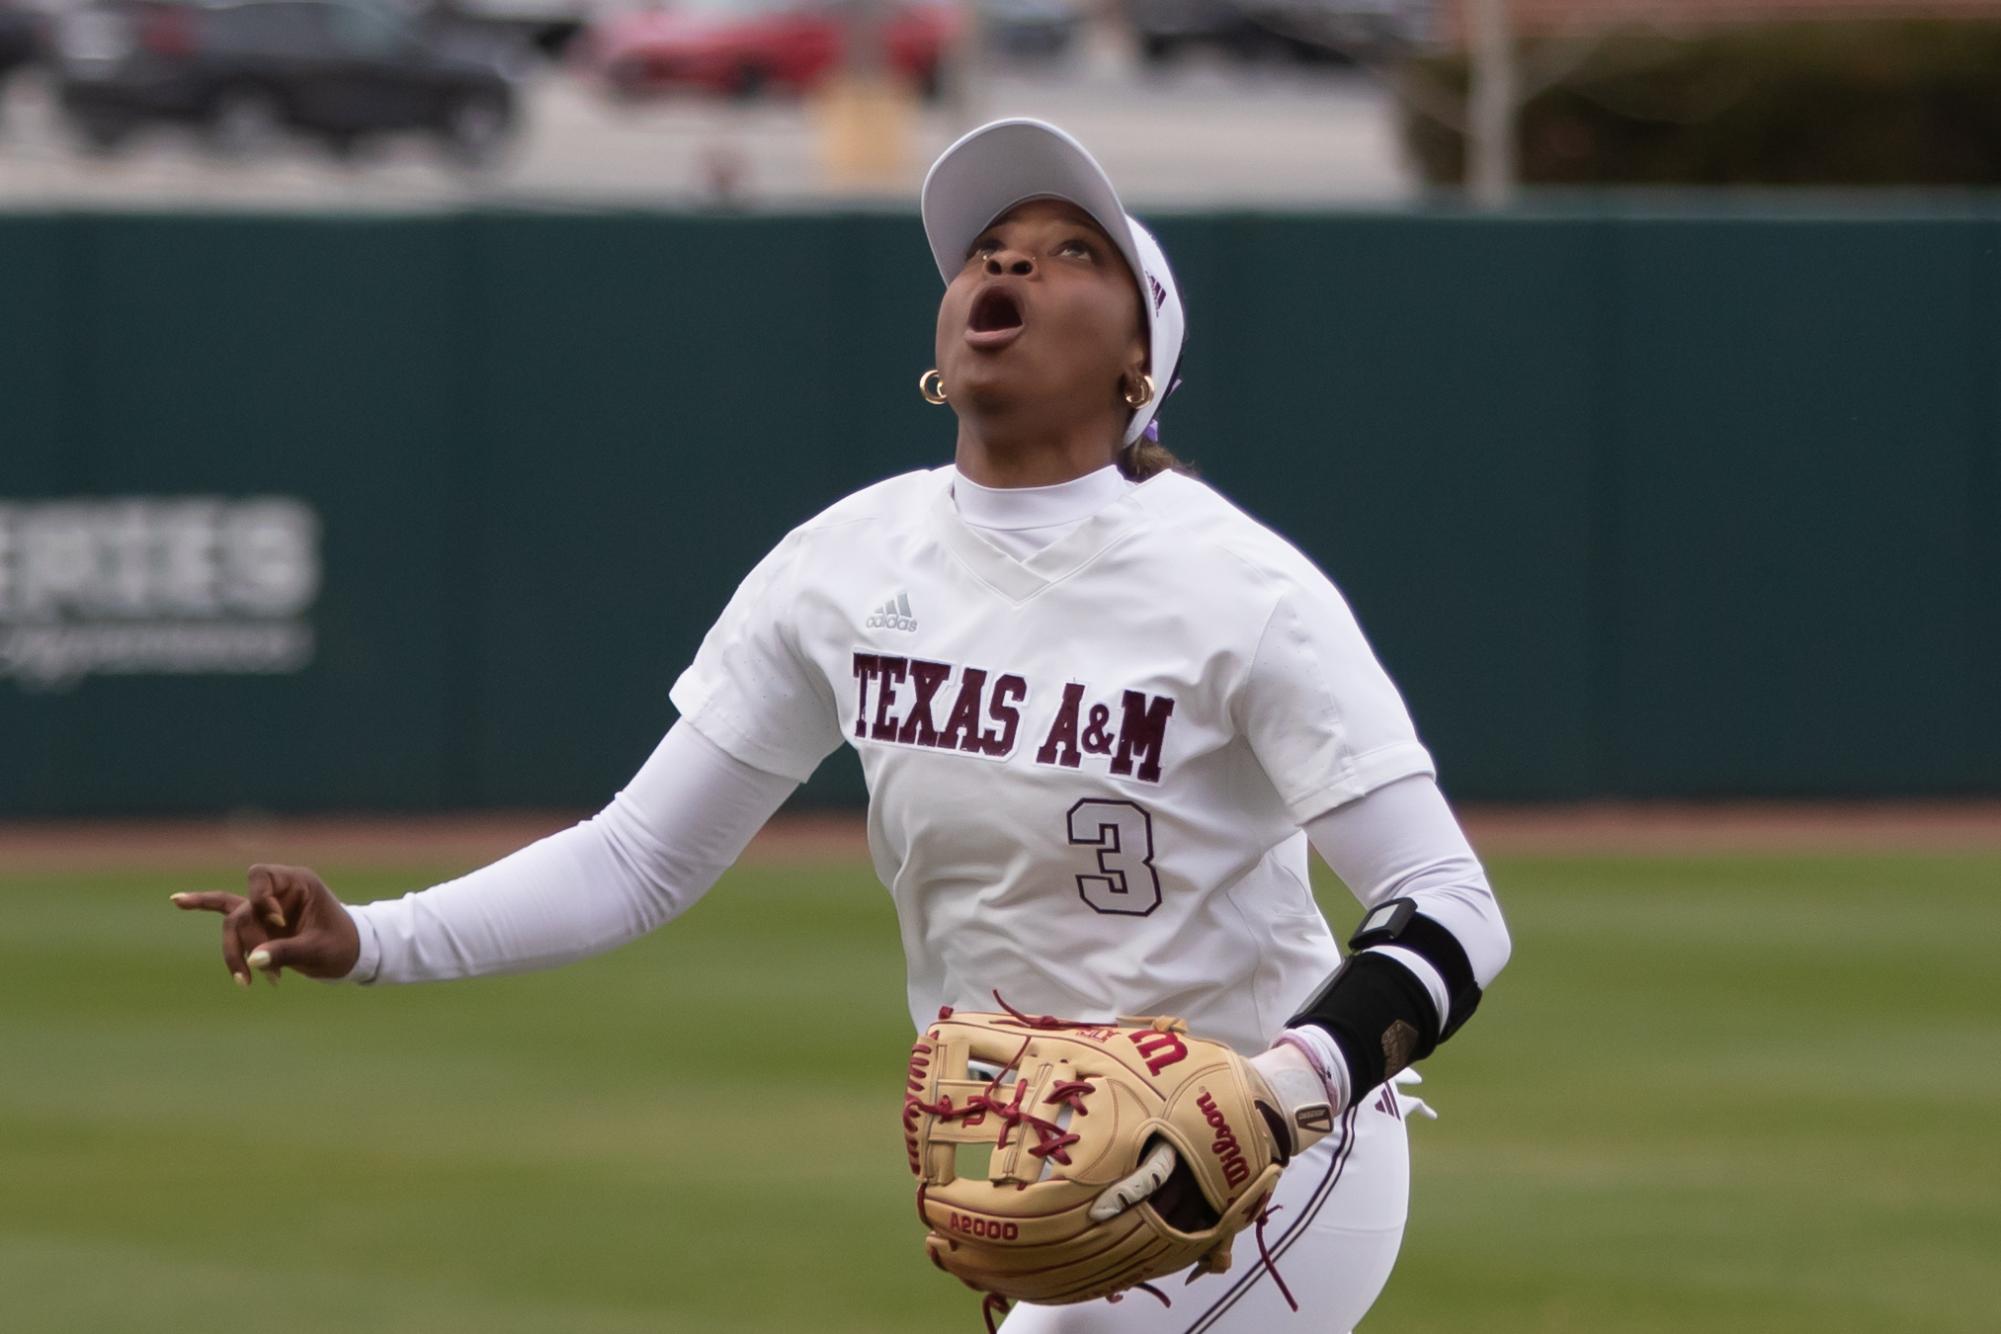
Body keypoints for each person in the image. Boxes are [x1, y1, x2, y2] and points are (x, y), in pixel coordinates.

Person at [173, 118, 1510, 1332]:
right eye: (989, 249)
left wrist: (1287, 1085)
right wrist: (373, 939)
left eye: (1067, 254)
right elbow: (638, 857)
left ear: (1138, 362)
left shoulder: (1242, 590)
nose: (1011, 265)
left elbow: (1449, 902)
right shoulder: (844, 564)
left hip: (1269, 1163)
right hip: (1022, 1150)